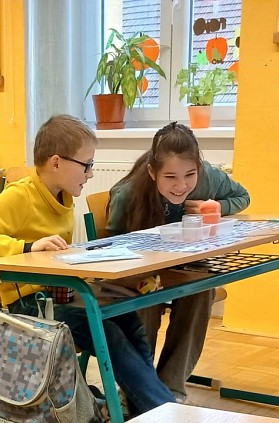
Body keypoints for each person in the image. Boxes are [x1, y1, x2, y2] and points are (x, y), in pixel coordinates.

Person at [0, 114, 174, 417]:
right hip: (28, 305)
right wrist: (26, 247)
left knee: (129, 321)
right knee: (107, 332)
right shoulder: (21, 195)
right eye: (86, 165)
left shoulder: (62, 197)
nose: (91, 173)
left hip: (59, 295)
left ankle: (143, 409)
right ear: (56, 163)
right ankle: (164, 413)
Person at [106, 122, 251, 400]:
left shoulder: (208, 177)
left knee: (202, 288)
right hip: (140, 270)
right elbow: (111, 247)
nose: (181, 185)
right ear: (152, 172)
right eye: (170, 177)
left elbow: (243, 196)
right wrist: (143, 273)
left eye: (190, 175)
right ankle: (139, 388)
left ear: (199, 167)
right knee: (147, 295)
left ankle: (171, 388)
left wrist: (218, 207)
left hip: (187, 268)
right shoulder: (128, 194)